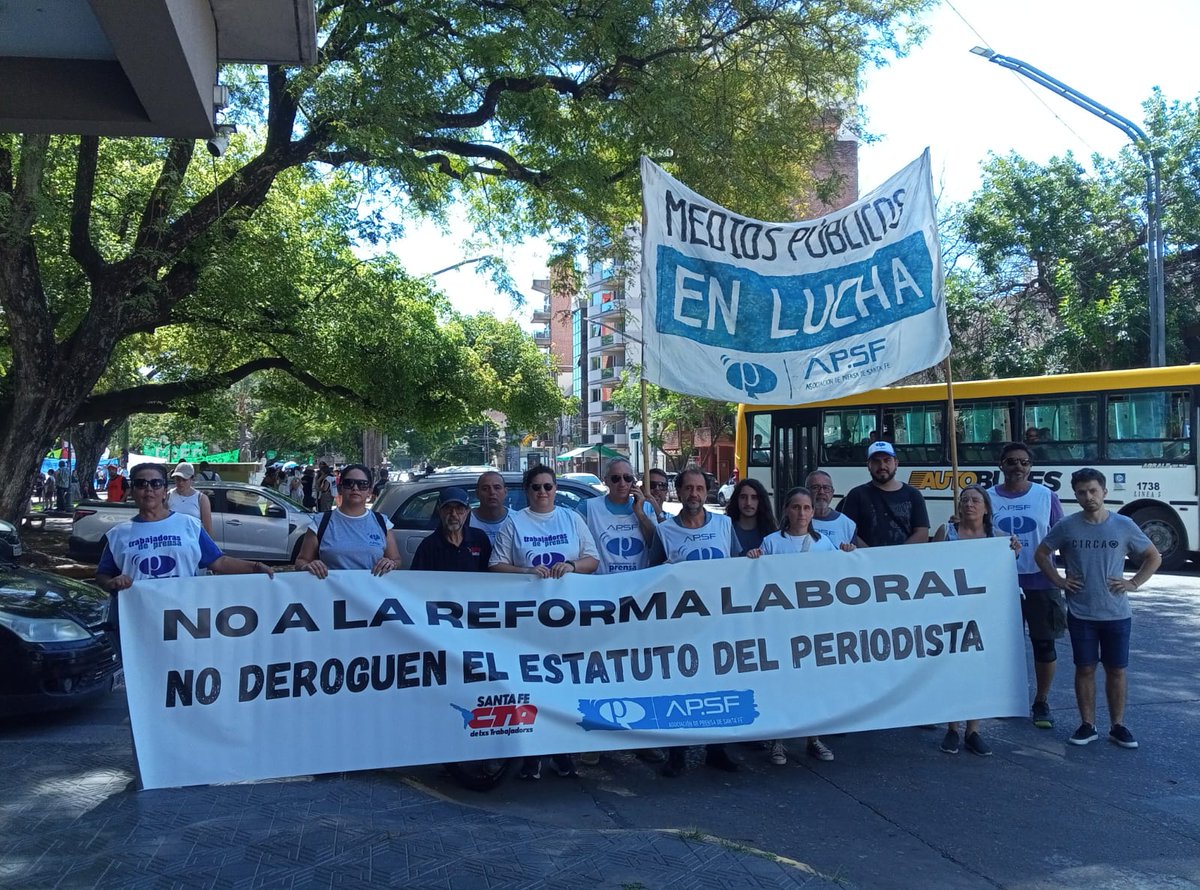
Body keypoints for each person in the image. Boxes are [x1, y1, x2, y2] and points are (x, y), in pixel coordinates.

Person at [1034, 469, 1162, 749]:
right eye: (1082, 492)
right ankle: (1087, 724)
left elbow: (1153, 556)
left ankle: (1117, 726)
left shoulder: (1124, 524)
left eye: (1093, 491)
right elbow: (1041, 553)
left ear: (1104, 492)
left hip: (1117, 613)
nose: (1088, 497)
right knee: (1085, 668)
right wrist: (1058, 580)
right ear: (1076, 495)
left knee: (1116, 670)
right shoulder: (1067, 526)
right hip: (1081, 613)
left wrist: (1134, 582)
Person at [489, 465, 599, 779]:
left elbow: (593, 559)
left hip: (569, 618)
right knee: (530, 686)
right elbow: (495, 565)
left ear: (555, 489)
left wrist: (572, 566)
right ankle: (532, 755)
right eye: (536, 487)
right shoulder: (515, 522)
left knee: (565, 686)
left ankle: (562, 752)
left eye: (548, 486)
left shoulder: (571, 518)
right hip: (528, 620)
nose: (542, 492)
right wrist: (525, 572)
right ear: (527, 490)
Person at [648, 466, 742, 777]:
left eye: (699, 488)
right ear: (679, 491)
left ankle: (717, 749)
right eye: (688, 488)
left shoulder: (725, 525)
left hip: (718, 621)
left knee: (718, 685)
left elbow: (739, 567)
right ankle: (678, 753)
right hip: (681, 624)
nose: (694, 494)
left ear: (706, 491)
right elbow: (650, 576)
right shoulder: (665, 531)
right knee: (681, 687)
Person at [747, 485, 849, 766]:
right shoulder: (771, 543)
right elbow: (756, 579)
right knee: (781, 683)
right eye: (796, 507)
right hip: (780, 627)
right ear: (786, 510)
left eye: (806, 508)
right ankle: (778, 741)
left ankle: (813, 737)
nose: (801, 513)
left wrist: (849, 554)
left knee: (812, 683)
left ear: (813, 512)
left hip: (813, 626)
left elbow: (839, 576)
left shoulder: (824, 544)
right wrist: (753, 560)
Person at [932, 484, 1021, 757]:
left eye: (975, 500)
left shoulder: (1000, 538)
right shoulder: (946, 533)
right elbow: (929, 565)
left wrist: (1013, 552)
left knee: (978, 670)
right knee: (951, 669)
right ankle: (952, 727)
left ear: (986, 508)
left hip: (985, 614)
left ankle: (973, 730)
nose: (969, 504)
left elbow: (1006, 572)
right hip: (950, 612)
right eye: (964, 500)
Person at [96, 462, 273, 593]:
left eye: (156, 484)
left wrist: (255, 567)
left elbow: (219, 562)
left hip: (183, 617)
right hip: (139, 621)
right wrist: (110, 583)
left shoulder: (190, 525)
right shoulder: (117, 535)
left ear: (164, 491)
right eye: (141, 484)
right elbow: (102, 575)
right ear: (133, 491)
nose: (149, 489)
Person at [987, 442, 1066, 729]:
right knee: (1004, 646)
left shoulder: (1046, 496)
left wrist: (1066, 579)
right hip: (1000, 583)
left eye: (1023, 462)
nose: (1017, 467)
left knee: (1044, 644)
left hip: (1040, 580)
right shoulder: (986, 497)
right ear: (1001, 465)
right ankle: (1008, 698)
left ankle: (1041, 701)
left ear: (1031, 467)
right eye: (1011, 461)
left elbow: (1062, 537)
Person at [295, 464, 399, 578]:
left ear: (369, 490)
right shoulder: (320, 522)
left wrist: (390, 564)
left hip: (372, 588)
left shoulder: (382, 522)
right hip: (331, 588)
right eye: (349, 483)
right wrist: (308, 566)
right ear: (340, 488)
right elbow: (301, 561)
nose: (355, 488)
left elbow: (396, 560)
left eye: (362, 484)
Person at [839, 441, 929, 547]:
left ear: (896, 463)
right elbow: (847, 532)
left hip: (904, 557)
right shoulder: (856, 495)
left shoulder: (913, 494)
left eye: (887, 460)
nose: (882, 466)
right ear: (869, 465)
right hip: (867, 557)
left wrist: (899, 554)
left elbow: (922, 534)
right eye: (876, 461)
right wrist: (871, 554)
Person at [578, 458, 658, 574]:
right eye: (616, 478)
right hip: (602, 581)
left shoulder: (647, 508)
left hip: (638, 582)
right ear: (606, 480)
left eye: (627, 478)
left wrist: (640, 513)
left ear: (633, 481)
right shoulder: (588, 508)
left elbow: (656, 545)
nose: (622, 483)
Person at [411, 487, 492, 572]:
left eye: (459, 509)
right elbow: (417, 577)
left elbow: (490, 575)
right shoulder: (428, 546)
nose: (453, 514)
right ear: (440, 511)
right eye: (447, 508)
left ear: (467, 511)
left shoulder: (479, 539)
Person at [806, 470, 857, 549]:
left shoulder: (847, 524)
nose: (821, 492)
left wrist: (849, 551)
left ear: (832, 492)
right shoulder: (798, 520)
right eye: (815, 487)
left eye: (826, 488)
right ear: (806, 491)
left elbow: (854, 554)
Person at [724, 478, 776, 554]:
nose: (748, 503)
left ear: (761, 501)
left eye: (754, 498)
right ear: (736, 499)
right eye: (743, 497)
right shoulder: (726, 530)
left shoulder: (771, 532)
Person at [168, 462, 213, 535]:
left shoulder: (201, 499)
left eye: (184, 480)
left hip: (193, 540)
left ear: (192, 479)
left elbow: (208, 529)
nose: (181, 483)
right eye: (178, 479)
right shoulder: (168, 496)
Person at [471, 470, 511, 544]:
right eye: (485, 489)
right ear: (477, 493)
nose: (492, 492)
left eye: (497, 488)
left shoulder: (517, 520)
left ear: (505, 492)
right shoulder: (465, 520)